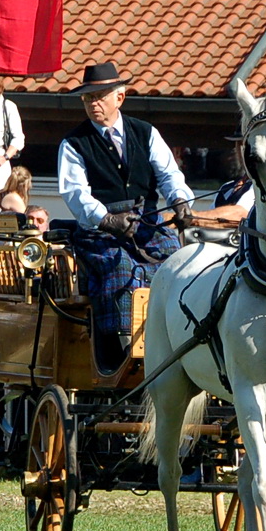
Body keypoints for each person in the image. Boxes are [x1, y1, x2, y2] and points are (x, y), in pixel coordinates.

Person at [56, 62, 194, 371]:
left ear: (120, 97)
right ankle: (120, 357)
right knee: (122, 269)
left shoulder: (145, 133)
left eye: (100, 96)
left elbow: (170, 174)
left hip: (147, 222)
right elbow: (76, 194)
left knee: (178, 261)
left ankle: (183, 341)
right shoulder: (73, 144)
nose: (93, 104)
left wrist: (181, 202)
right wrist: (107, 219)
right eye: (88, 98)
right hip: (99, 231)